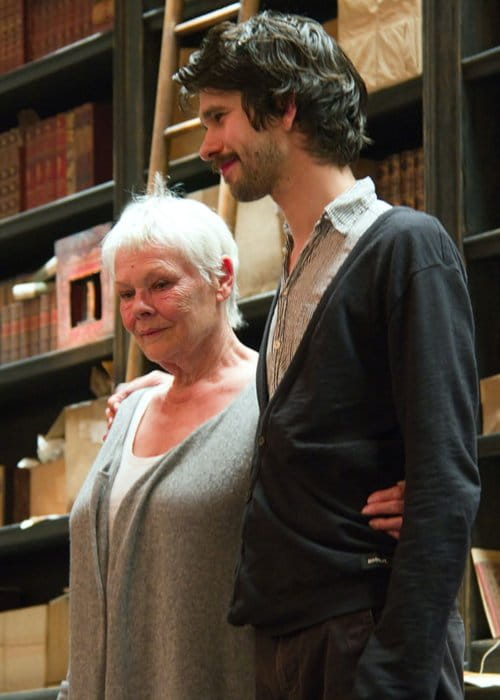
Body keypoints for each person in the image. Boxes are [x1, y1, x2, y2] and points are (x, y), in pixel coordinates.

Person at [106, 10, 480, 700]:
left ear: (283, 107)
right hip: (290, 646)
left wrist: (393, 676)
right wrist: (164, 396)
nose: (208, 144)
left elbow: (447, 478)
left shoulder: (405, 247)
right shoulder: (297, 271)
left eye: (219, 117)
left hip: (362, 640)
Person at [57, 181, 259, 699]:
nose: (138, 309)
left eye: (160, 284)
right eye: (126, 294)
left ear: (222, 279)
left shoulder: (273, 397)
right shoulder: (129, 410)